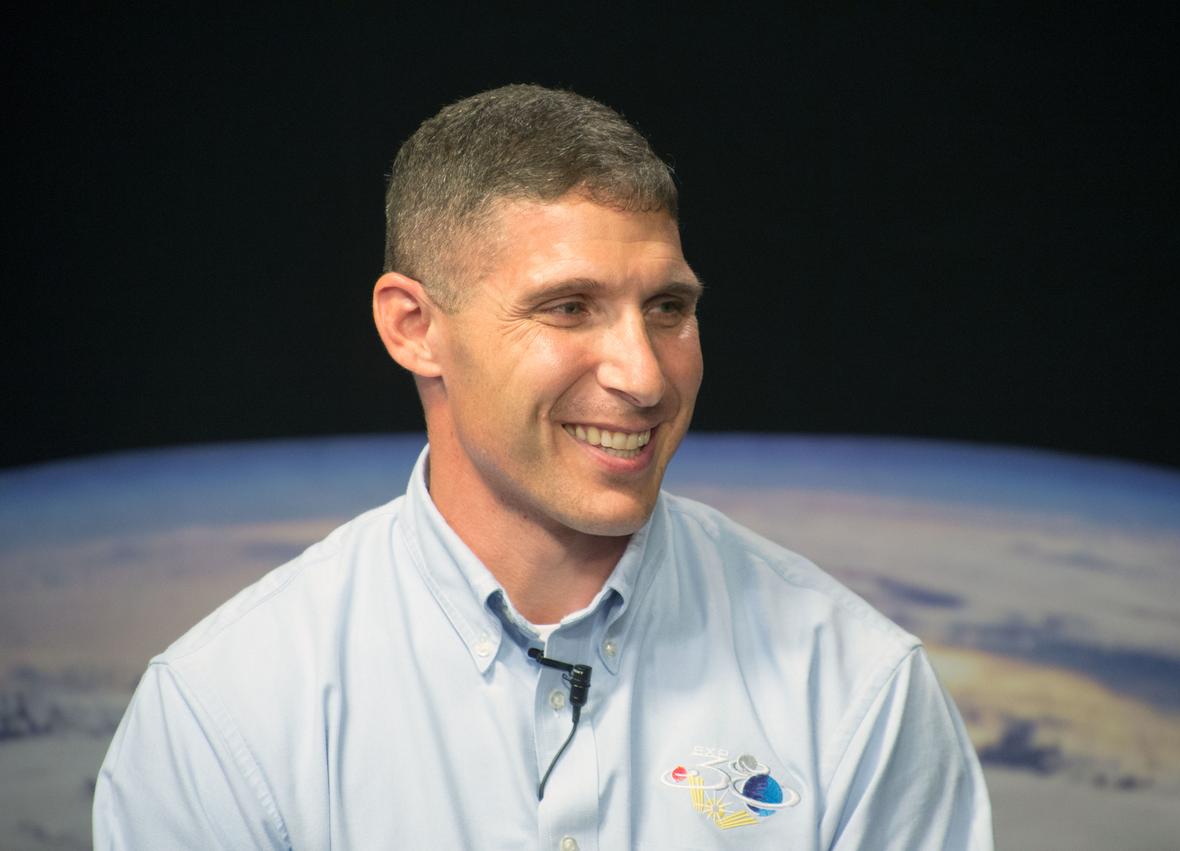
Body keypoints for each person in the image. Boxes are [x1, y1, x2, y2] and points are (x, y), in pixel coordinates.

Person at [93, 84, 992, 849]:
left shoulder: (852, 686)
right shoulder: (226, 713)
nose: (644, 377)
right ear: (414, 327)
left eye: (669, 307)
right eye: (568, 307)